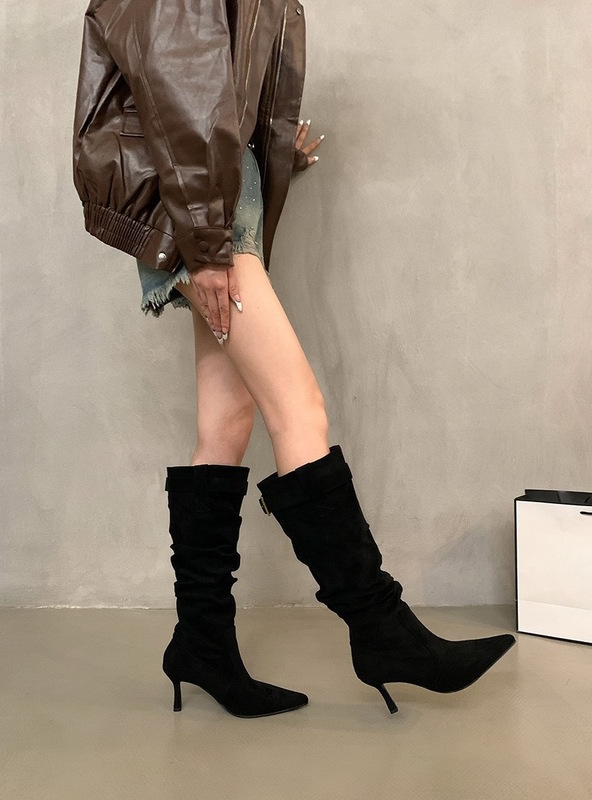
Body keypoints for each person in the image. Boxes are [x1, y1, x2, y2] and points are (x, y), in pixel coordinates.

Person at [72, 0, 515, 719]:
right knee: (299, 410)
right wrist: (206, 248)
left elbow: (208, 90)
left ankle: (202, 642)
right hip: (201, 212)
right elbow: (179, 94)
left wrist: (265, 155)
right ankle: (383, 630)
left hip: (216, 197)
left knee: (226, 423)